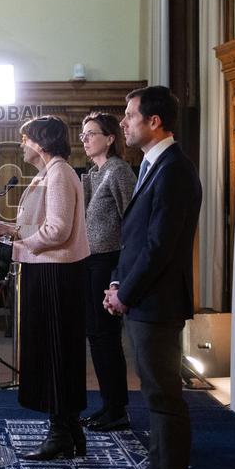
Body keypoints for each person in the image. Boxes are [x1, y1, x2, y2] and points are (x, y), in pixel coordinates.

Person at [104, 86, 202, 469]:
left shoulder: (176, 169)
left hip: (156, 302)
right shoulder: (151, 164)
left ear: (154, 121)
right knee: (154, 395)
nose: (123, 123)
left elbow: (160, 246)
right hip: (142, 297)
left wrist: (125, 293)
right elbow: (135, 238)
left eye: (129, 115)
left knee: (164, 397)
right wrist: (116, 283)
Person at [0, 116, 89, 461]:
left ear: (41, 143)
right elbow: (37, 225)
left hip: (55, 275)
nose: (22, 144)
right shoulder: (49, 172)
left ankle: (61, 434)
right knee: (54, 352)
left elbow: (57, 230)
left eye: (26, 139)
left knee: (55, 352)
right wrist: (6, 227)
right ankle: (70, 430)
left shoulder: (58, 173)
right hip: (47, 271)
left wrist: (22, 244)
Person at [79, 112, 136, 432]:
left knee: (107, 338)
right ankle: (108, 405)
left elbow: (132, 221)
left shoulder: (118, 171)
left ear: (110, 138)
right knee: (96, 337)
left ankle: (118, 409)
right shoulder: (95, 172)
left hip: (108, 261)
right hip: (90, 260)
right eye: (83, 135)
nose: (85, 140)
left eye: (91, 134)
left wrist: (120, 272)